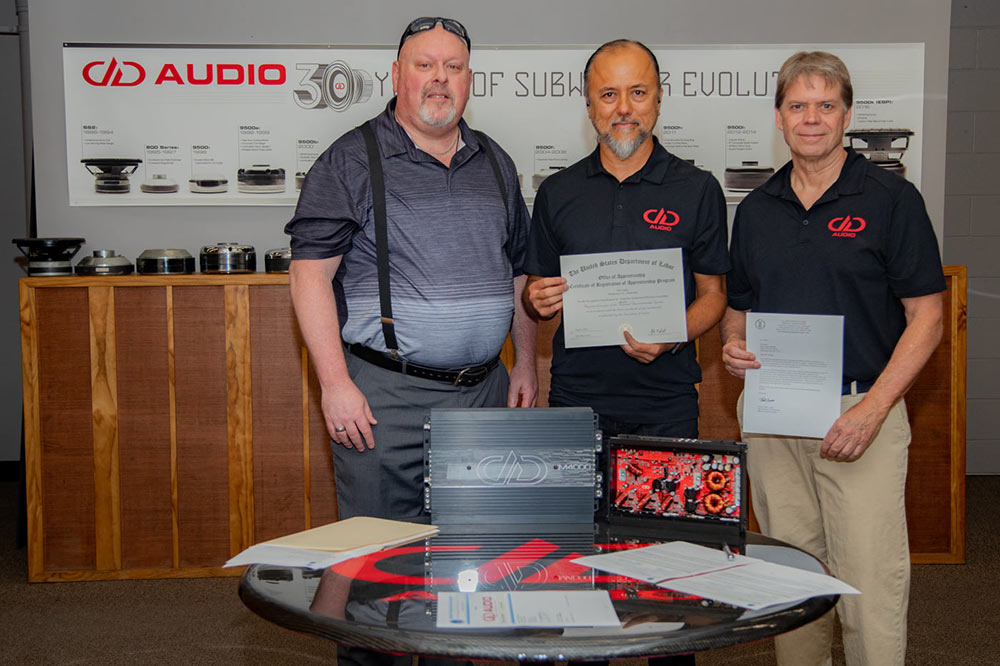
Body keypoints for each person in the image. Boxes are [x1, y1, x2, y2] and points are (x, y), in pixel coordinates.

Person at [286, 19, 537, 664]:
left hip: (481, 395)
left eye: (453, 67)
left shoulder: (495, 162)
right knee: (375, 569)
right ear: (397, 76)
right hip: (383, 398)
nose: (439, 79)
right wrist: (335, 384)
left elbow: (518, 274)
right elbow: (310, 274)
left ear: (469, 80)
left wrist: (526, 364)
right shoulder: (351, 158)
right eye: (424, 65)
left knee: (472, 564)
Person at [720, 51, 944, 666]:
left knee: (867, 580)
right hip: (775, 417)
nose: (811, 118)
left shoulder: (891, 199)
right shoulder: (758, 210)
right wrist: (731, 346)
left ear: (846, 115)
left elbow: (928, 317)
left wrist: (873, 410)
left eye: (825, 106)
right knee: (791, 579)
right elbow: (739, 308)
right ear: (779, 116)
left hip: (858, 411)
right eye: (798, 106)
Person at [523, 39, 729, 443]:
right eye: (608, 94)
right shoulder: (558, 192)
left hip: (666, 405)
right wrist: (537, 299)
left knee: (665, 508)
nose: (623, 109)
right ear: (588, 105)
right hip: (575, 402)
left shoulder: (698, 189)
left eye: (637, 93)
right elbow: (535, 287)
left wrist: (673, 333)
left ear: (658, 99)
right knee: (576, 511)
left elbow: (714, 294)